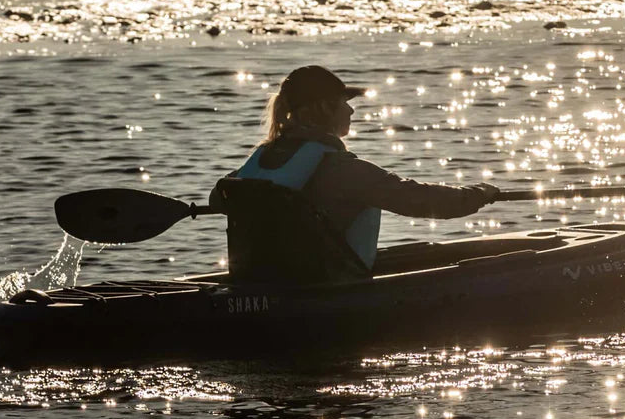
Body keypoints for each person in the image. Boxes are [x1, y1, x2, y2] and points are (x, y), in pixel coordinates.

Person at [213, 65, 499, 283]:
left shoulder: (256, 163)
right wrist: (477, 195)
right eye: (343, 101)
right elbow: (418, 199)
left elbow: (217, 199)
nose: (350, 110)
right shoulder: (341, 170)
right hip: (327, 290)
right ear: (324, 108)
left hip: (260, 283)